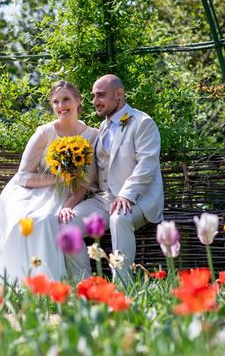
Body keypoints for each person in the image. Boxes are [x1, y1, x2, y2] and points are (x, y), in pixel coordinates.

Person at [0, 80, 100, 286]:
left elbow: (87, 183)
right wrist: (58, 178)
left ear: (78, 101)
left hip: (66, 195)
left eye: (66, 99)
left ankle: (50, 282)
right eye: (55, 102)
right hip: (32, 191)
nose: (61, 106)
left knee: (46, 220)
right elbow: (23, 176)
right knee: (30, 219)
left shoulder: (93, 135)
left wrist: (68, 205)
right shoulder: (45, 132)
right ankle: (17, 280)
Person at [59, 74, 163, 283]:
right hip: (105, 197)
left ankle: (123, 286)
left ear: (119, 95)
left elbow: (147, 164)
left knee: (120, 217)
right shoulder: (103, 128)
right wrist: (69, 204)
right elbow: (95, 172)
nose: (95, 102)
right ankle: (85, 285)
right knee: (67, 224)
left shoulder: (143, 123)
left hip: (139, 198)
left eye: (101, 96)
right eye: (93, 96)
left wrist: (126, 195)